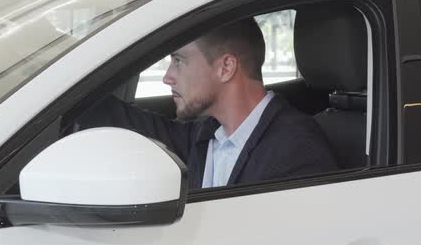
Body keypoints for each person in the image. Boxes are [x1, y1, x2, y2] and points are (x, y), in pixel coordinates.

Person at [75, 18, 338, 189]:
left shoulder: (297, 151)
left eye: (179, 61)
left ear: (225, 67)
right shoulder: (207, 134)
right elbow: (121, 120)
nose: (168, 77)